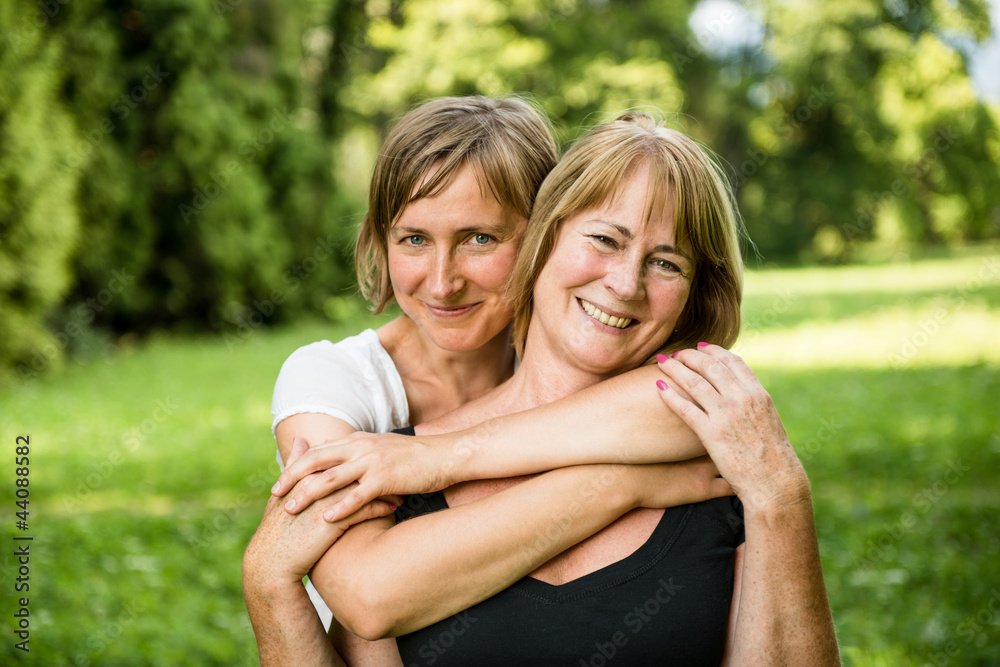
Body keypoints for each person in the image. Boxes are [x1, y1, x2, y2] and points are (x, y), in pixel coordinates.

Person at [245, 112, 840, 664]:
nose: (625, 283)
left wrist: (781, 497)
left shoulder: (727, 458)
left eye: (667, 263)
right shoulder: (383, 465)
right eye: (604, 240)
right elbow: (366, 593)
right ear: (544, 243)